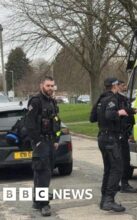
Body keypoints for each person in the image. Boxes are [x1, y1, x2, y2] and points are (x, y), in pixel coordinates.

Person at [25, 76, 61, 217]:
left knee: (42, 172)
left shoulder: (52, 101)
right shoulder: (36, 101)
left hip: (51, 142)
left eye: (52, 86)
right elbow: (30, 124)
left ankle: (37, 201)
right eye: (48, 86)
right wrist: (38, 141)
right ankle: (44, 204)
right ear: (42, 86)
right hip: (41, 143)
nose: (50, 88)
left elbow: (57, 121)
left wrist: (57, 139)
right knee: (43, 173)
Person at [95, 77, 127, 212]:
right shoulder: (112, 99)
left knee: (108, 169)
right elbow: (110, 115)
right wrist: (118, 112)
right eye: (118, 84)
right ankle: (109, 200)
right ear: (114, 86)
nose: (119, 86)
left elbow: (92, 118)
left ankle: (104, 200)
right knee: (117, 168)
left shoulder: (101, 99)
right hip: (110, 138)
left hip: (102, 136)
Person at [116, 80, 137, 193]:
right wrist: (135, 111)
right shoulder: (117, 99)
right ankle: (124, 184)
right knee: (124, 159)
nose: (125, 87)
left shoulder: (124, 98)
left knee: (124, 159)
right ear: (117, 86)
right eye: (123, 85)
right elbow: (122, 113)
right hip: (120, 133)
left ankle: (122, 183)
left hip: (125, 132)